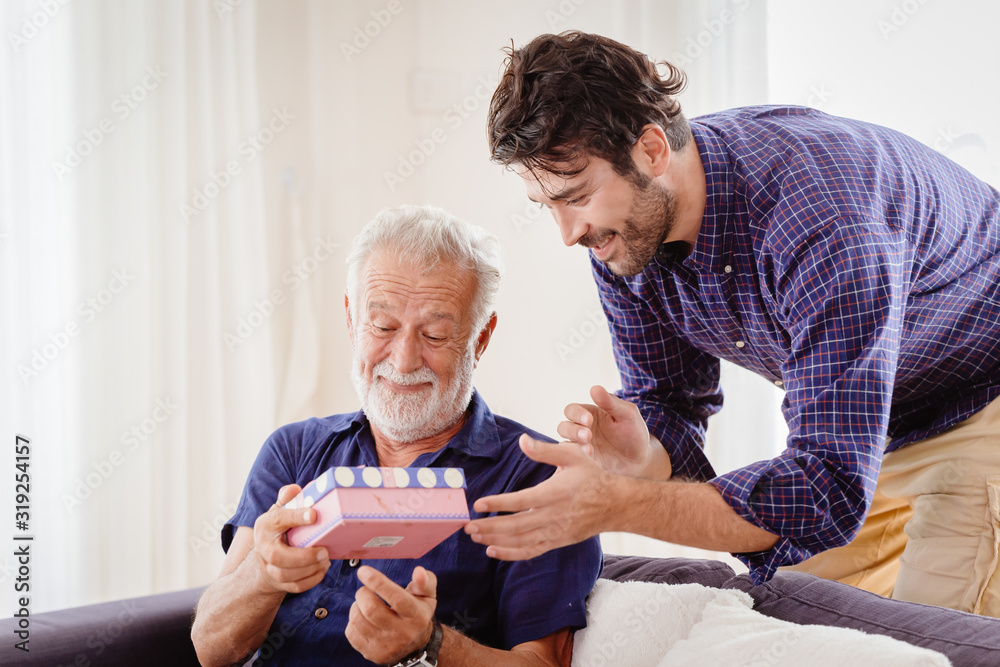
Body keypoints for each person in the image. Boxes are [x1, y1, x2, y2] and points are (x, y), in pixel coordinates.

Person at [466, 30, 1000, 617]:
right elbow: (668, 402)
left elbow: (828, 486)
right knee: (794, 614)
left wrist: (614, 505)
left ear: (650, 150)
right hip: (876, 432)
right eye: (548, 207)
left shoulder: (820, 220)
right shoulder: (624, 240)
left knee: (932, 633)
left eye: (577, 197)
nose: (568, 233)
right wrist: (642, 460)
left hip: (981, 397)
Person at [190, 205, 602, 666]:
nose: (404, 361)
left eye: (436, 334)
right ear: (351, 320)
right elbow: (212, 648)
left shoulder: (541, 478)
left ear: (480, 339)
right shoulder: (293, 450)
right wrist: (264, 575)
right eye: (383, 327)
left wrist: (431, 643)